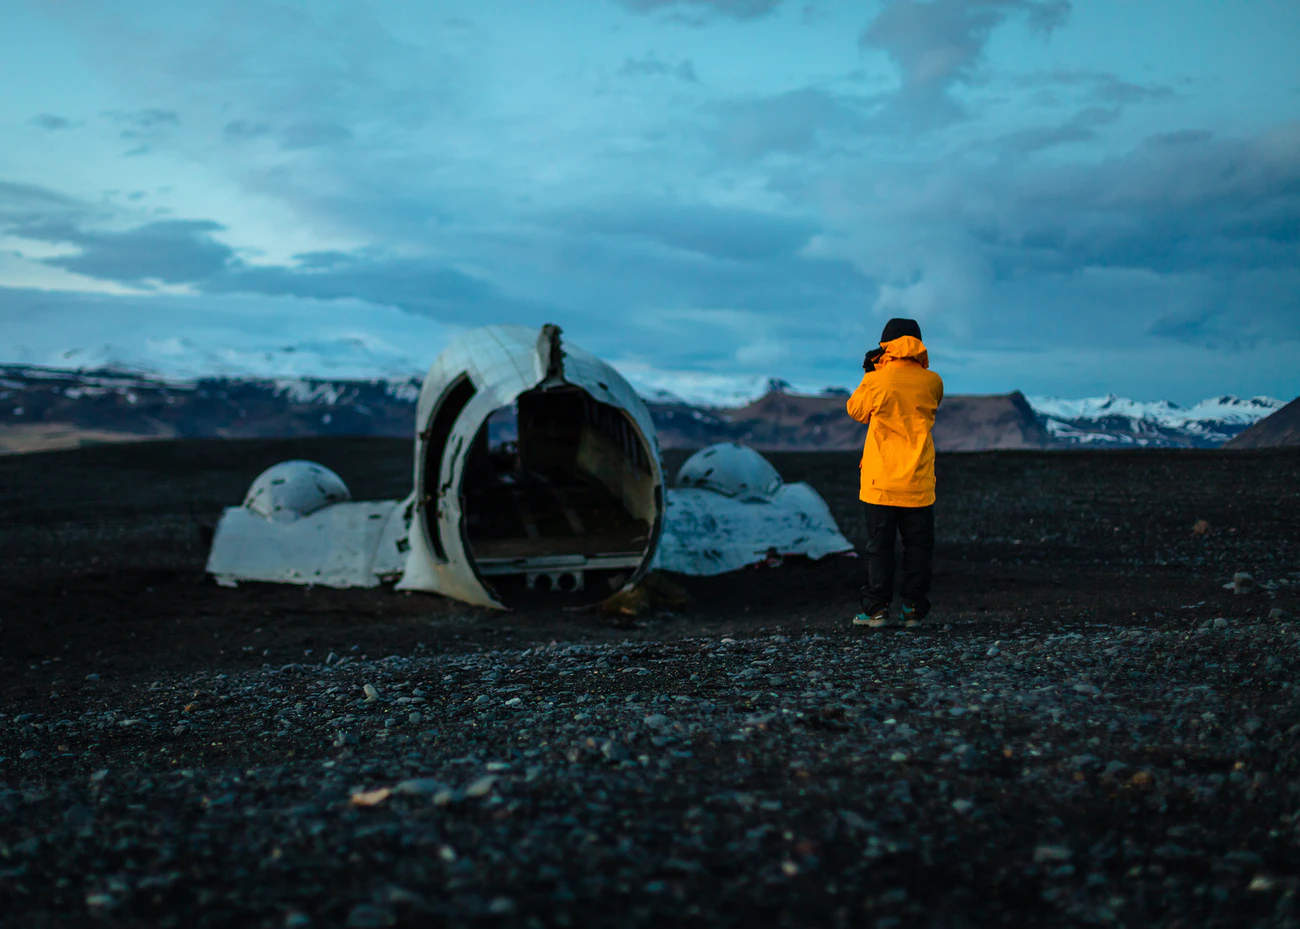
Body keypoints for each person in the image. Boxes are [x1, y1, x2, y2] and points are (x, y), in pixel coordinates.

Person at [845, 318, 944, 628]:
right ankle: (914, 610)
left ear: (886, 345)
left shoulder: (877, 380)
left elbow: (856, 410)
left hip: (881, 481)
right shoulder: (933, 382)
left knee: (879, 547)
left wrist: (871, 373)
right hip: (918, 480)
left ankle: (876, 610)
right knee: (918, 547)